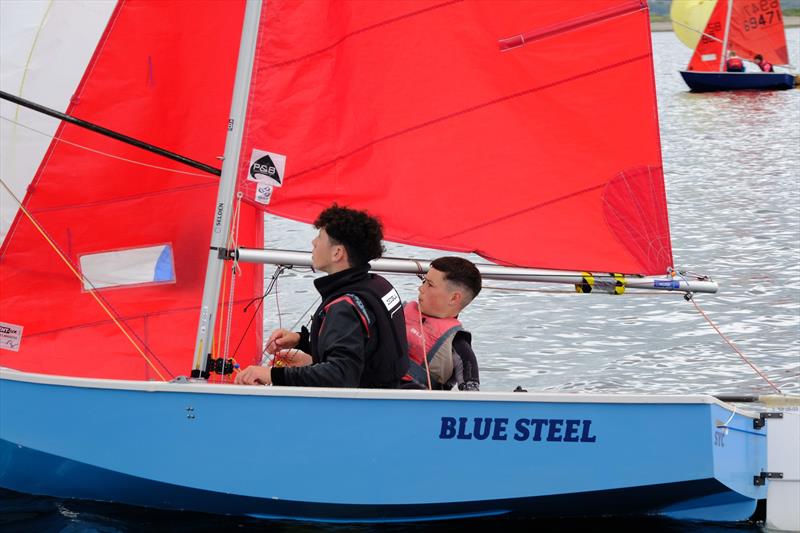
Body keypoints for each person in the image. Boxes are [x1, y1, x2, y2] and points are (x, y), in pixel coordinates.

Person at [235, 204, 409, 388]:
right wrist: (301, 341)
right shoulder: (378, 285)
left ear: (337, 253)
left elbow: (340, 376)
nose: (314, 243)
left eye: (320, 237)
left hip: (365, 409)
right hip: (391, 395)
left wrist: (273, 374)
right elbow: (365, 347)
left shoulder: (344, 307)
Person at [401, 256, 482, 391]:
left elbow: (471, 393)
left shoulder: (457, 341)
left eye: (430, 284)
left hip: (414, 400)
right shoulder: (399, 310)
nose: (420, 288)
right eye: (424, 281)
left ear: (454, 298)